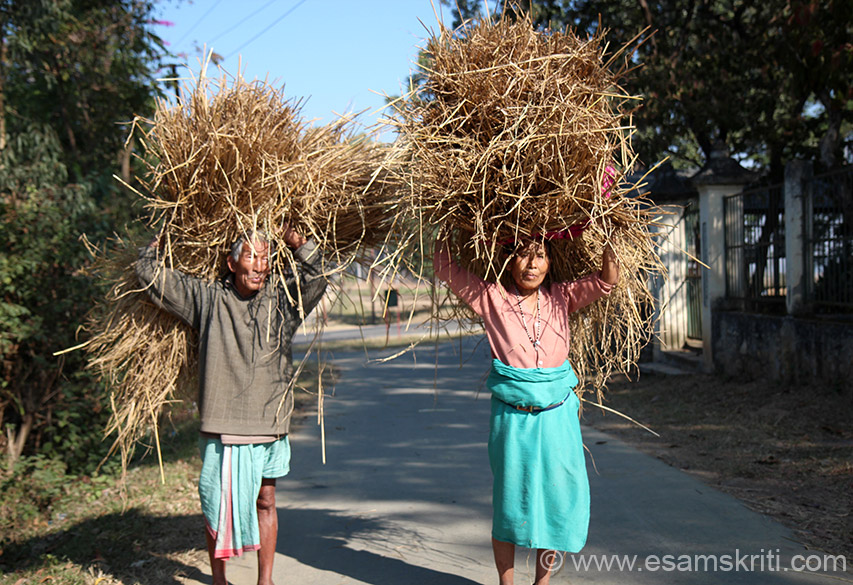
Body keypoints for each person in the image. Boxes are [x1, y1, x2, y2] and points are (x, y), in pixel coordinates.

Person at [136, 224, 326, 585]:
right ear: (232, 262)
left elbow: (317, 279)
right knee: (217, 506)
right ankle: (220, 580)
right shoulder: (207, 298)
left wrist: (299, 244)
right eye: (251, 256)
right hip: (222, 422)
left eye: (266, 257)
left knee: (266, 500)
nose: (260, 265)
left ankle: (265, 581)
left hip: (269, 419)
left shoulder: (281, 300)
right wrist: (156, 243)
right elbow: (151, 277)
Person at [434, 235, 619, 585]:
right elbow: (444, 267)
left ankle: (541, 582)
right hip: (512, 418)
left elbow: (607, 279)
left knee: (557, 501)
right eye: (522, 255)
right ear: (509, 261)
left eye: (540, 256)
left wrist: (609, 234)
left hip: (557, 416)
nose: (532, 264)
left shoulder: (562, 297)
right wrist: (446, 224)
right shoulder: (491, 298)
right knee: (510, 503)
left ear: (550, 263)